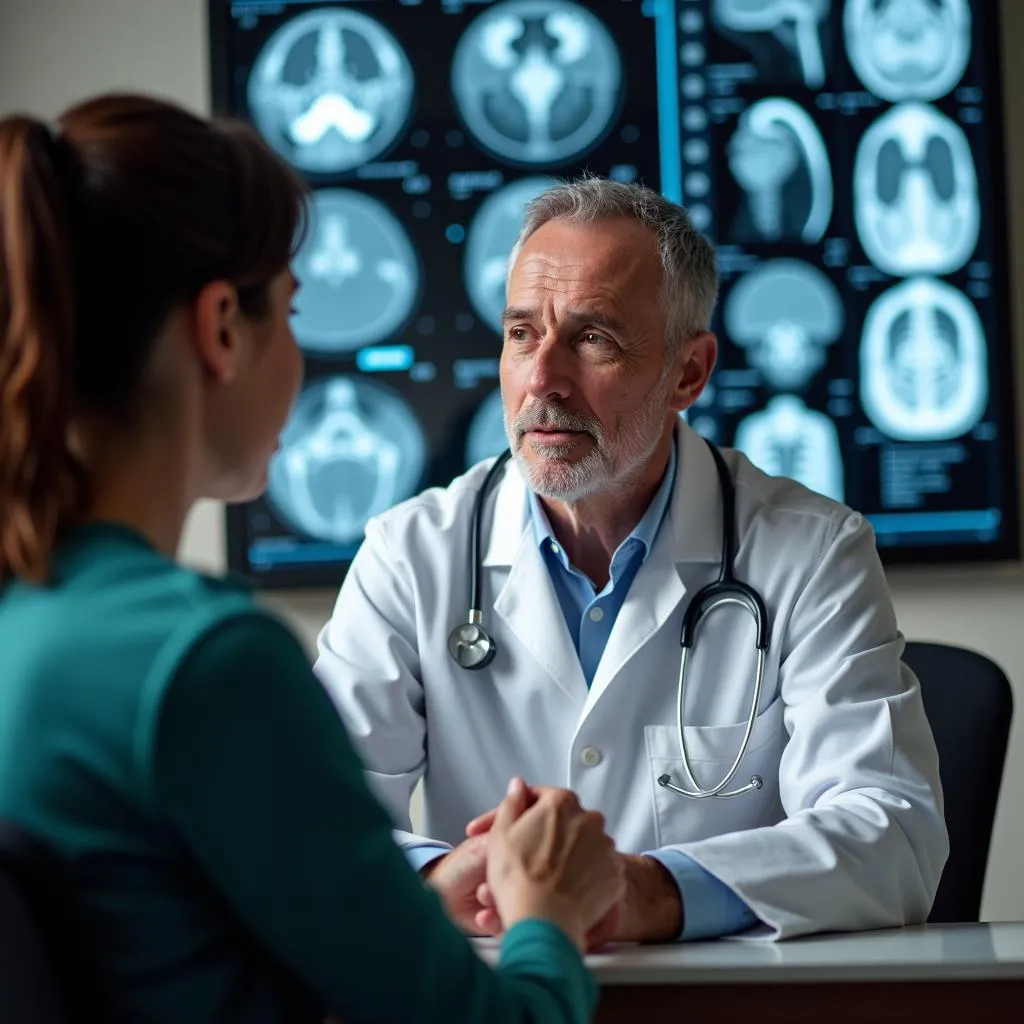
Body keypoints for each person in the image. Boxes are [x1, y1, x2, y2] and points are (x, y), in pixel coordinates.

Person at [0, 94, 627, 1024]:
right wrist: (547, 912)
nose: (300, 359)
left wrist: (399, 905)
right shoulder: (206, 661)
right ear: (220, 329)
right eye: (289, 314)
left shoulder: (27, 621)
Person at [315, 176, 950, 944]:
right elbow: (313, 817)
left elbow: (894, 835)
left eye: (593, 338)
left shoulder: (810, 551)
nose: (542, 380)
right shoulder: (410, 554)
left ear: (689, 372)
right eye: (522, 334)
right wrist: (432, 880)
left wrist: (649, 892)